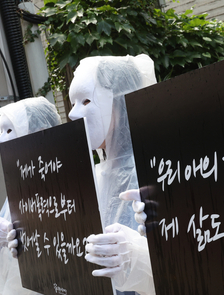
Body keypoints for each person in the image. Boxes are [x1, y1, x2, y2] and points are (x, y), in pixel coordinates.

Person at [67, 54, 157, 295]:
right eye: (72, 103)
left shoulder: (154, 169)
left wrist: (139, 255)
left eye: (86, 101)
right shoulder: (97, 175)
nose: (73, 115)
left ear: (120, 102)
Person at [0, 97, 61, 294]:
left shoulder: (60, 185)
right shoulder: (18, 186)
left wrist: (19, 239)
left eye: (9, 130)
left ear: (37, 133)